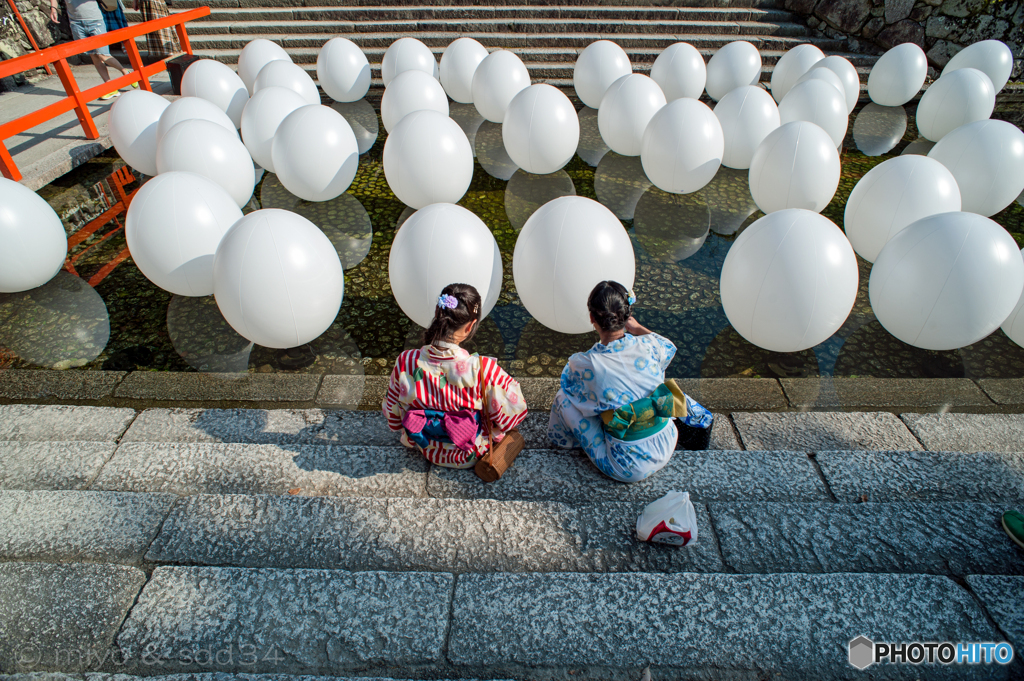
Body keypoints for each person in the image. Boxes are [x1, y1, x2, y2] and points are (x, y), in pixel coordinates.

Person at [548, 280, 683, 482]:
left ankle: (565, 443)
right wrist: (636, 328)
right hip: (667, 442)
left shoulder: (588, 363)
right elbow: (669, 347)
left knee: (563, 398)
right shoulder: (649, 345)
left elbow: (568, 384)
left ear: (592, 318)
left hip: (628, 466)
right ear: (627, 316)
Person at [383, 283, 527, 468]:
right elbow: (515, 411)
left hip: (426, 448)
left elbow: (393, 417)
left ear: (437, 314)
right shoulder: (482, 368)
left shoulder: (406, 361)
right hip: (470, 454)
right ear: (471, 326)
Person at [50, 0, 134, 100]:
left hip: (95, 20)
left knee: (102, 54)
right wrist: (53, 9)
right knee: (93, 56)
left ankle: (124, 71)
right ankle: (110, 86)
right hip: (76, 23)